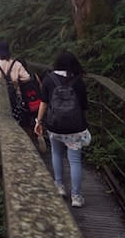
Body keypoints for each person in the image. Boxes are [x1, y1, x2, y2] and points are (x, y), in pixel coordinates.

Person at [34, 51, 91, 208]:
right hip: (75, 128)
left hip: (55, 126)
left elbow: (44, 103)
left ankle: (59, 186)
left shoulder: (48, 79)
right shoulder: (78, 81)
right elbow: (84, 107)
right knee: (74, 161)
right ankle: (77, 197)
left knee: (56, 154)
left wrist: (39, 121)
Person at [0, 40, 30, 134]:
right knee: (15, 121)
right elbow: (27, 78)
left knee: (1, 123)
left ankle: (3, 141)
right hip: (14, 98)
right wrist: (16, 82)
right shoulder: (16, 64)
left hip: (0, 98)